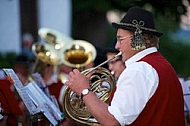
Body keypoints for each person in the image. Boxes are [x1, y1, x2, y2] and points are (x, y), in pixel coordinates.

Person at [65, 7, 186, 126]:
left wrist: (84, 90)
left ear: (137, 39)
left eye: (120, 39)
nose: (117, 46)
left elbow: (112, 121)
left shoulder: (138, 70)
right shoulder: (162, 64)